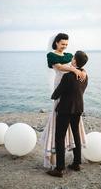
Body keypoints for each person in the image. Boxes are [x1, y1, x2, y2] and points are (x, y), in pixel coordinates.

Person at [41, 33, 87, 168]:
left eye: (66, 44)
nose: (64, 46)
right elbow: (60, 68)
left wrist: (83, 71)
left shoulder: (69, 56)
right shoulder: (51, 55)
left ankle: (62, 165)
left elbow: (79, 65)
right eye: (62, 44)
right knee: (59, 119)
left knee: (68, 127)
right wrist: (74, 69)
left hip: (70, 89)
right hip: (61, 85)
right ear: (56, 43)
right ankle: (60, 157)